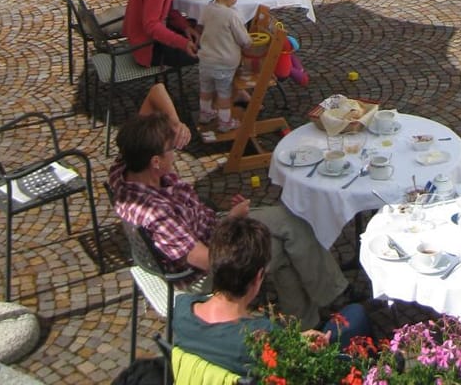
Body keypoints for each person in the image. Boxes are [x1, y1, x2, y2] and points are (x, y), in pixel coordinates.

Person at [109, 112, 349, 329]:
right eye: (171, 148)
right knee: (283, 252)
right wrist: (233, 222)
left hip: (215, 226)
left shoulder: (127, 168)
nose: (175, 153)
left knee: (291, 221)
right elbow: (209, 261)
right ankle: (312, 320)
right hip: (209, 269)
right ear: (155, 162)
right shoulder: (157, 215)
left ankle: (323, 304)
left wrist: (175, 123)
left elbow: (156, 93)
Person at [172, 216, 369, 376]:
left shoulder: (181, 310)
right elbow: (295, 367)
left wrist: (298, 338)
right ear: (259, 276)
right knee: (355, 314)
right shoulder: (261, 336)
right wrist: (306, 345)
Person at [198, 0, 251, 132]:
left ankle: (205, 113)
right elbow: (243, 39)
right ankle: (225, 122)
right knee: (224, 94)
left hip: (205, 59)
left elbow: (202, 26)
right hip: (224, 63)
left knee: (206, 89)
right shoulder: (231, 15)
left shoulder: (207, 8)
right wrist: (249, 44)